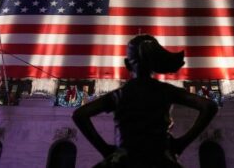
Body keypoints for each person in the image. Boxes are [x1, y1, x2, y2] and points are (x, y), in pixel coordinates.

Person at [72, 34, 218, 168]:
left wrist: (104, 149)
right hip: (159, 160)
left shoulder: (119, 94)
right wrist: (181, 144)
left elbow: (80, 114)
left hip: (124, 160)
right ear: (155, 64)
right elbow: (209, 106)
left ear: (127, 64)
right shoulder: (166, 90)